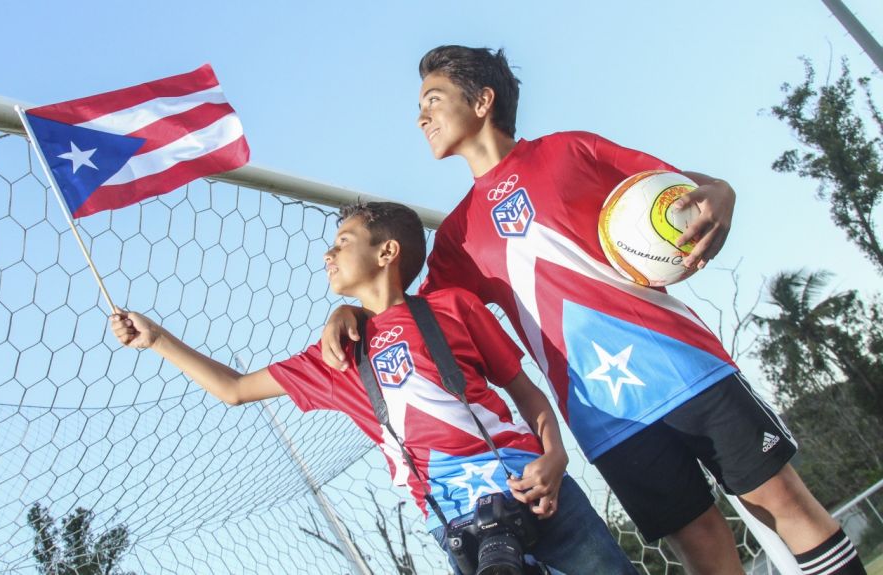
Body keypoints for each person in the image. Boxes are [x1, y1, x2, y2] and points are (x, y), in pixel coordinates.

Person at [319, 47, 865, 575]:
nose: (422, 117)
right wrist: (351, 318)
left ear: (482, 100)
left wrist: (720, 190)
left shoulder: (568, 149)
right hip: (602, 412)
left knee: (783, 503)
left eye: (433, 99)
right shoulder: (459, 236)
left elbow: (681, 188)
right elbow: (409, 314)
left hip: (681, 364)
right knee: (701, 545)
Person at [110, 201, 638, 574]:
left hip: (535, 485)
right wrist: (157, 339)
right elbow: (233, 388)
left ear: (387, 253)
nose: (327, 254)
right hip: (452, 518)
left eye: (342, 242)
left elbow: (525, 392)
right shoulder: (336, 354)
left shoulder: (453, 307)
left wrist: (555, 458)